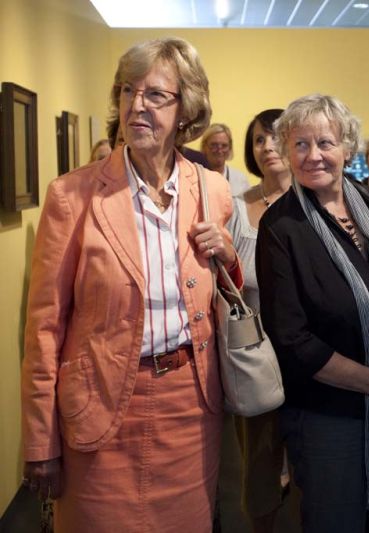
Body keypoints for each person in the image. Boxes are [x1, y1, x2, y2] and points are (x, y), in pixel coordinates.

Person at [20, 37, 241, 532]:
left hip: (190, 406)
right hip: (98, 410)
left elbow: (223, 292)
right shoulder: (71, 196)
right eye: (127, 91)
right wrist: (40, 440)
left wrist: (227, 254)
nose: (136, 105)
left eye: (156, 94)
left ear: (186, 110)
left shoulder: (212, 190)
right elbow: (44, 328)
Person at [256, 93, 369, 533]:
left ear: (346, 147)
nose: (313, 156)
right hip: (329, 419)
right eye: (300, 145)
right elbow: (293, 341)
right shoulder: (280, 227)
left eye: (325, 143)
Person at [227, 108, 292, 533]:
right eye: (257, 141)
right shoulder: (236, 209)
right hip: (255, 356)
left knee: (316, 458)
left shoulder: (316, 201)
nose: (266, 146)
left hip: (312, 354)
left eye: (273, 137)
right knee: (259, 462)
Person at [202, 122, 251, 197]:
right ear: (204, 146)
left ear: (230, 148)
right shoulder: (195, 176)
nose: (219, 150)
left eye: (224, 146)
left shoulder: (240, 180)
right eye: (214, 145)